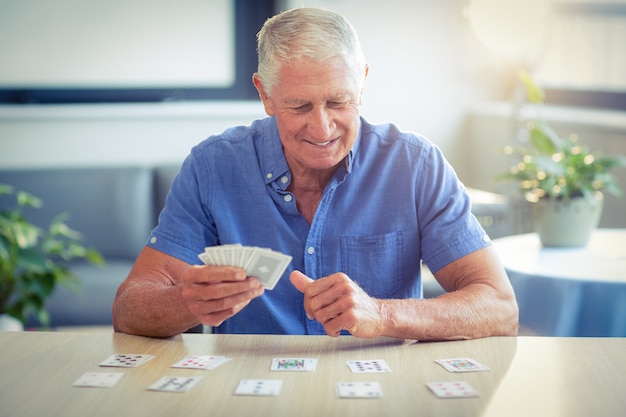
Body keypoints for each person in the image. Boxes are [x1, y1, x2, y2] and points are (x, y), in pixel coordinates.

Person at [112, 7, 518, 340]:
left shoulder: (416, 166)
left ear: (362, 84)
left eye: (339, 102)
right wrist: (186, 303)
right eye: (300, 106)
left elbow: (499, 308)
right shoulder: (212, 166)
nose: (322, 129)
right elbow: (130, 308)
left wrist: (383, 315)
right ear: (265, 95)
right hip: (249, 390)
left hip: (379, 388)